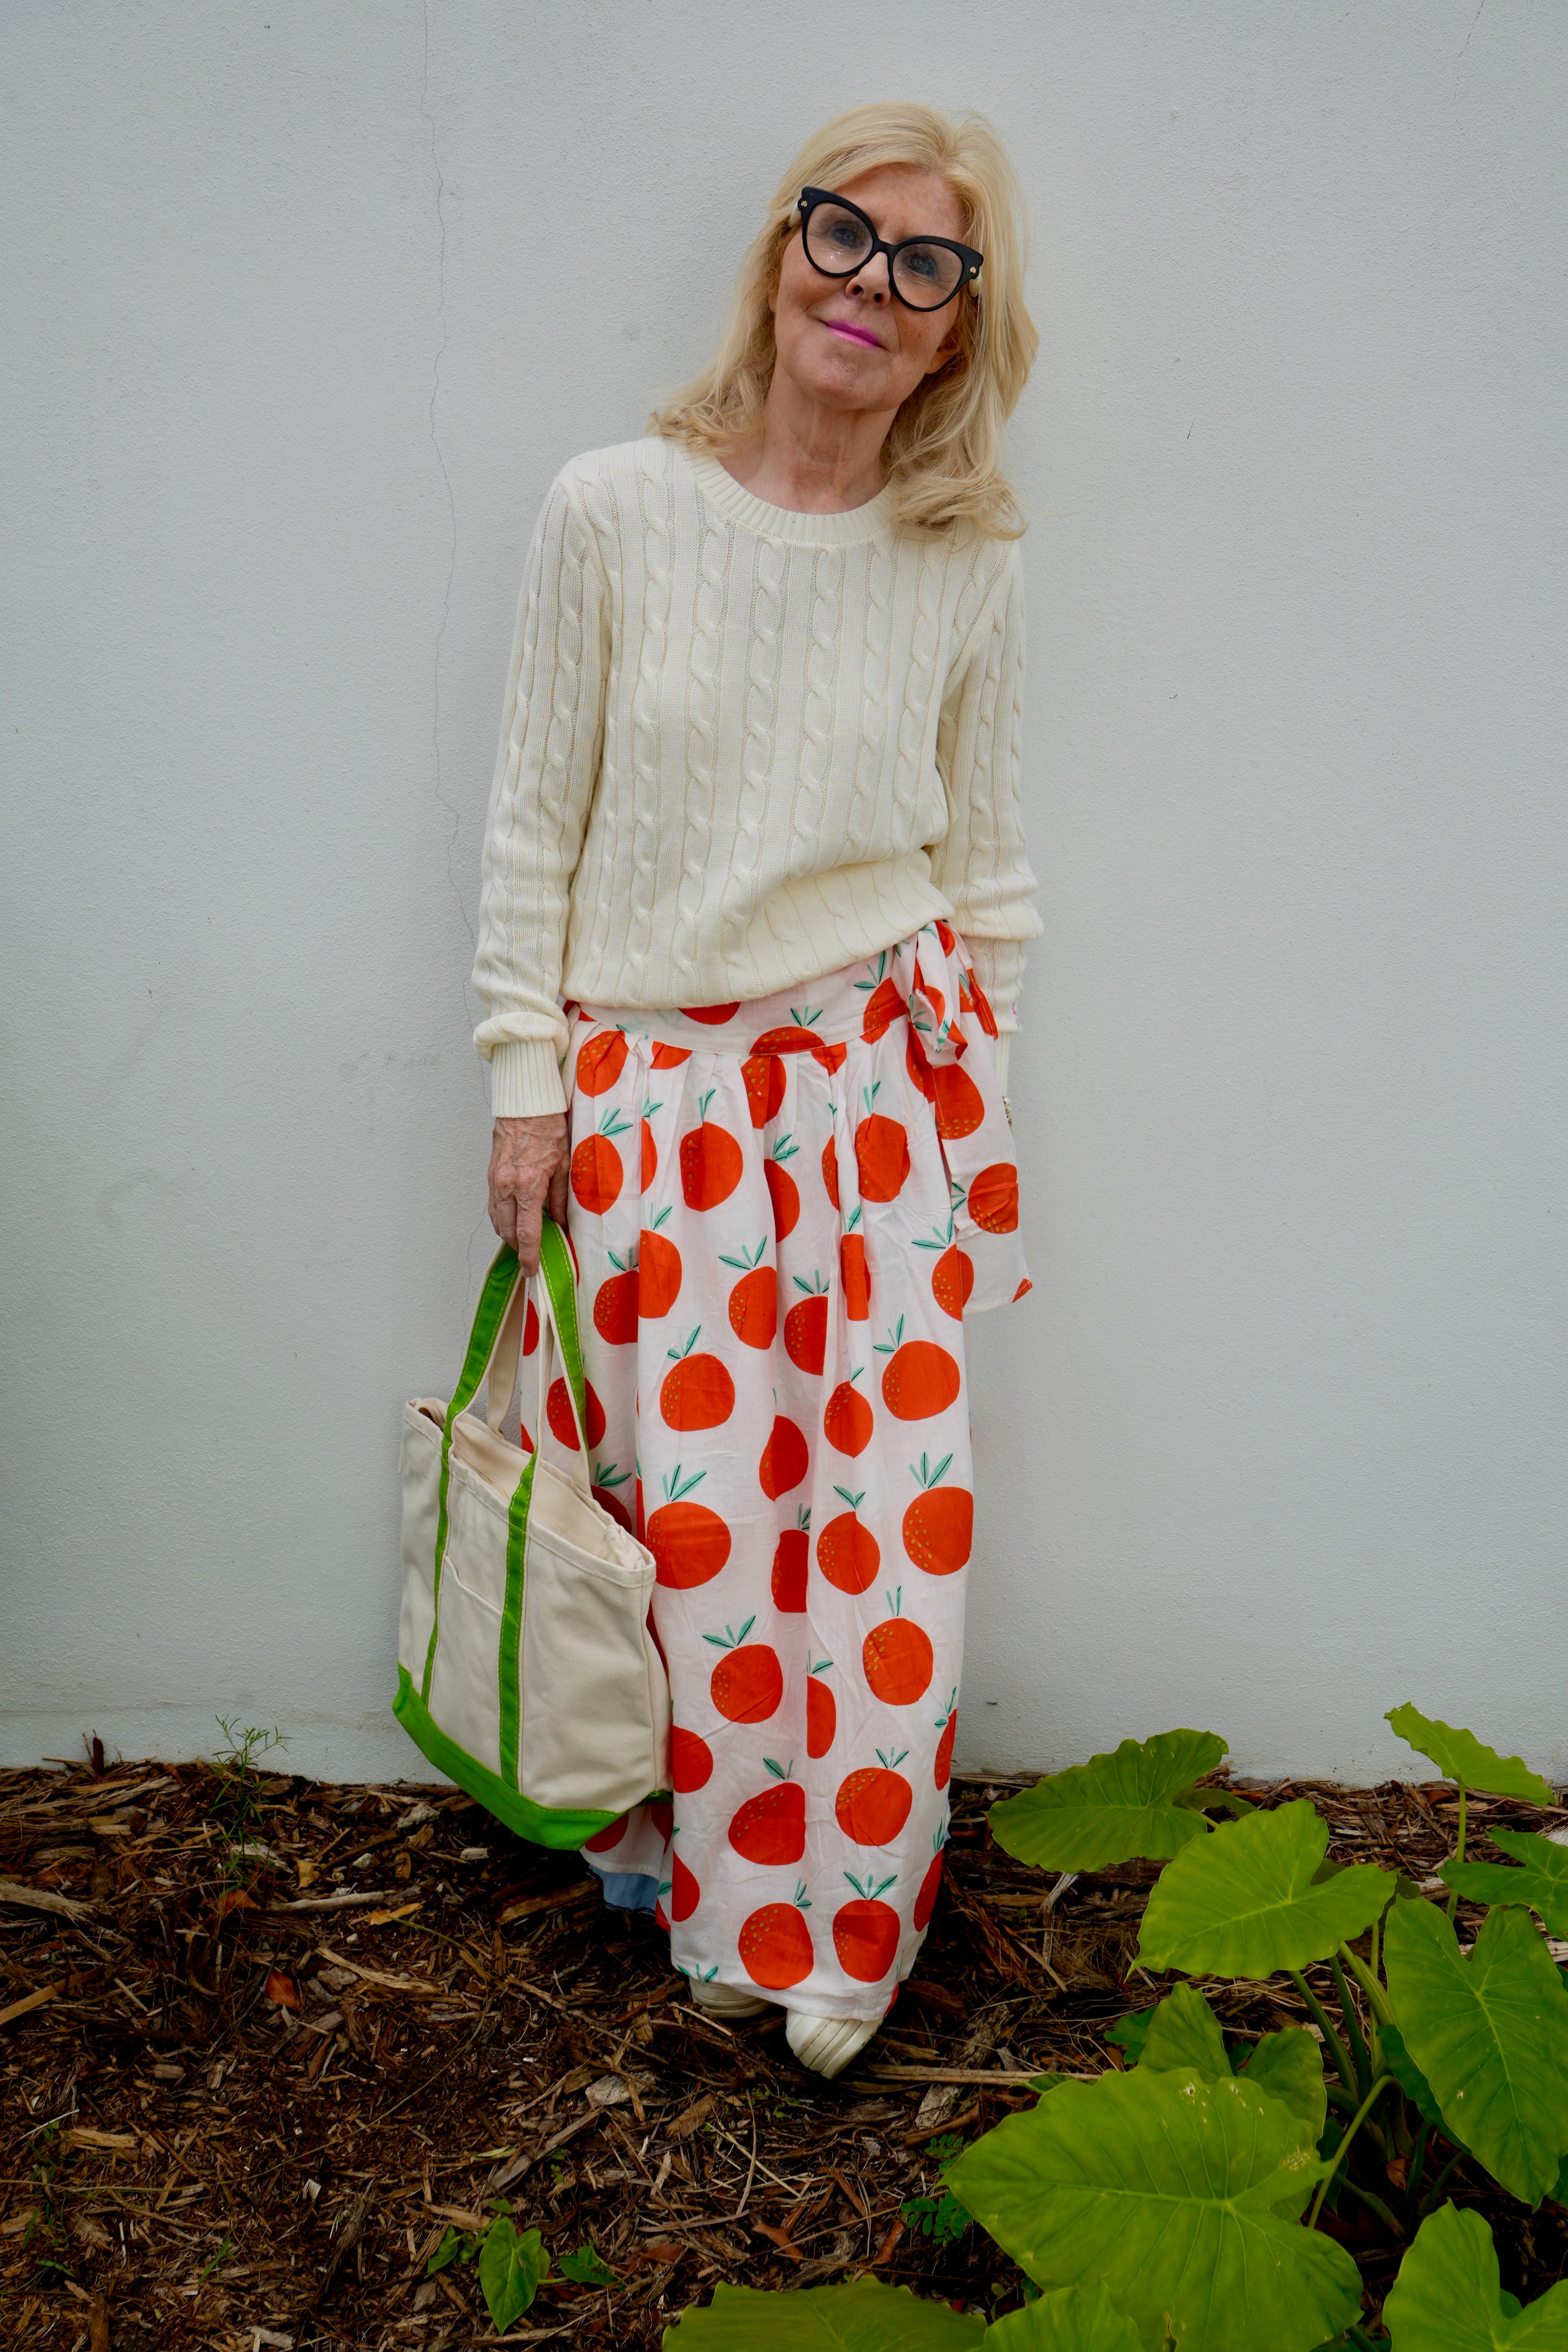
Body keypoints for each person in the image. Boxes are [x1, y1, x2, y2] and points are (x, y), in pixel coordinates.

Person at [472, 101, 1041, 2078]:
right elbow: (532, 824)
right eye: (840, 235)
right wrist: (525, 1083)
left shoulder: (963, 558)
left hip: (881, 1096)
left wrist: (972, 1126)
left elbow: (989, 871)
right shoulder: (610, 508)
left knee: (881, 1538)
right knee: (704, 1539)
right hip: (656, 1107)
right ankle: (719, 1906)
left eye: (924, 264)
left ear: (960, 329)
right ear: (777, 252)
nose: (867, 287)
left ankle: (849, 1928)